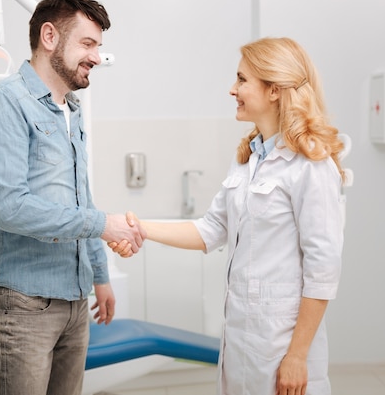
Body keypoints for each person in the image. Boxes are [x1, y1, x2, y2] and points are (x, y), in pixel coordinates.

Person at [111, 37, 345, 395]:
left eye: (242, 80)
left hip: (282, 344)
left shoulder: (311, 166)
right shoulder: (251, 159)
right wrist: (140, 228)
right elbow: (210, 230)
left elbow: (323, 271)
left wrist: (298, 356)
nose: (232, 89)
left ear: (273, 90)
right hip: (241, 340)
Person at [0, 0, 146, 395]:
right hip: (23, 304)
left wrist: (99, 275)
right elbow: (12, 209)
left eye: (98, 47)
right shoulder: (5, 104)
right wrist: (104, 226)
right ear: (49, 37)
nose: (96, 57)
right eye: (88, 44)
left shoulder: (72, 110)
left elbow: (81, 197)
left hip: (75, 300)